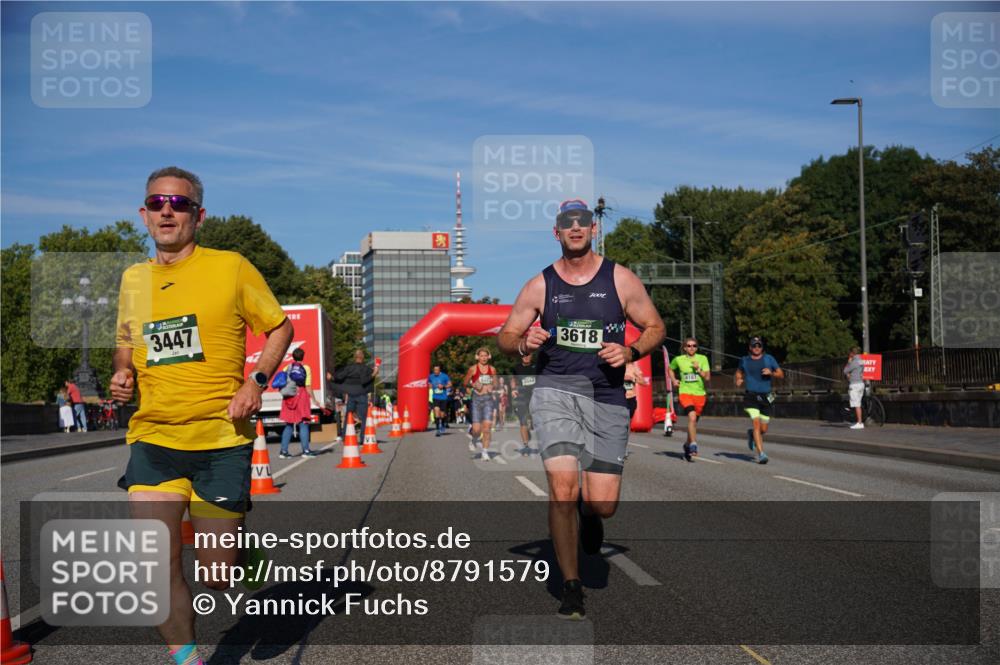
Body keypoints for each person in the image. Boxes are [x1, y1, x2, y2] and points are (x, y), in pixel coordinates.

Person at [110, 166, 293, 665]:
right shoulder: (133, 279)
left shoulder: (231, 267)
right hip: (154, 437)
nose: (167, 211)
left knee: (218, 574)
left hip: (220, 439)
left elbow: (280, 328)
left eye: (180, 203)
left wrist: (255, 382)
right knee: (153, 563)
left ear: (199, 215)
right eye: (157, 202)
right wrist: (123, 371)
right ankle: (188, 658)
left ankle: (235, 549)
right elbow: (125, 340)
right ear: (144, 215)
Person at [498, 198, 665, 619]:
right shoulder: (540, 285)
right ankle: (571, 586)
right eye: (566, 222)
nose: (575, 227)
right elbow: (506, 335)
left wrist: (630, 352)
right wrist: (523, 342)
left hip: (606, 396)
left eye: (583, 221)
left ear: (593, 229)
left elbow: (655, 327)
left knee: (602, 503)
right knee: (562, 489)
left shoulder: (620, 279)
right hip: (555, 392)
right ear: (556, 232)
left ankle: (590, 515)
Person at [734, 336, 784, 464]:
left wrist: (771, 373)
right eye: (754, 345)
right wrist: (738, 379)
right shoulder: (744, 360)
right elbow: (738, 372)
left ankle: (751, 434)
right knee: (756, 423)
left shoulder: (769, 359)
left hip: (766, 396)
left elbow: (781, 374)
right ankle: (761, 454)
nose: (756, 348)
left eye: (759, 345)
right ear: (750, 347)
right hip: (751, 396)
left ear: (762, 347)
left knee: (764, 429)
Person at [668, 337, 711, 461]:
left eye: (694, 346)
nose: (692, 348)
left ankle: (687, 444)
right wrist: (674, 380)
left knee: (693, 423)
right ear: (684, 348)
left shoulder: (702, 359)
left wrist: (698, 369)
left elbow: (707, 377)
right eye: (689, 346)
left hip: (700, 394)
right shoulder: (678, 359)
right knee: (691, 417)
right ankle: (693, 445)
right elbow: (670, 369)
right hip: (685, 393)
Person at [279, 348, 320, 458]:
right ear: (303, 356)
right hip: (301, 395)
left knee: (289, 424)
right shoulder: (306, 368)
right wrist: (314, 399)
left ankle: (283, 451)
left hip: (289, 396)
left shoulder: (286, 368)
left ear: (293, 356)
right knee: (303, 423)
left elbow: (282, 383)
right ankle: (306, 451)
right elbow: (308, 386)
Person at [463, 347, 497, 460]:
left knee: (487, 428)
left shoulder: (492, 369)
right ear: (477, 357)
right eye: (481, 356)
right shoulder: (473, 369)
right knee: (477, 430)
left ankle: (485, 452)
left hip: (488, 400)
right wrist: (473, 385)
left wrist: (492, 386)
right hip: (476, 400)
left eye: (485, 356)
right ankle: (473, 440)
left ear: (489, 357)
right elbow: (465, 383)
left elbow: (496, 383)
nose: (484, 358)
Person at [333, 349, 378, 433]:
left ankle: (345, 436)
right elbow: (365, 380)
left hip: (351, 395)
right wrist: (374, 373)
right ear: (362, 357)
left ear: (354, 357)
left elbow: (339, 377)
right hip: (362, 394)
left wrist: (332, 377)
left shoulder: (349, 368)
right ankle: (363, 437)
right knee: (364, 417)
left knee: (348, 416)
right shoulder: (365, 369)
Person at [510, 352, 537, 455]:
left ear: (532, 355)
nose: (526, 357)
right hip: (522, 397)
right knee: (523, 421)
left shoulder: (537, 366)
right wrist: (513, 389)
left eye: (528, 355)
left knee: (536, 421)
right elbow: (513, 379)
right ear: (521, 357)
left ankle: (530, 427)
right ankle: (526, 446)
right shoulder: (517, 368)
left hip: (535, 397)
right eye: (524, 355)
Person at [844, 346, 865, 429]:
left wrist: (848, 362)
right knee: (858, 402)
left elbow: (845, 371)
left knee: (856, 404)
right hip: (861, 383)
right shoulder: (861, 360)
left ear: (852, 353)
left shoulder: (854, 361)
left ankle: (859, 422)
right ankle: (858, 421)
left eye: (850, 353)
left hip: (854, 384)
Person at [428, 365, 452, 437]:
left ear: (439, 370)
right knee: (436, 412)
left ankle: (443, 424)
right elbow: (429, 383)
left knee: (442, 414)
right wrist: (430, 385)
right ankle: (438, 429)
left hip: (443, 398)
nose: (435, 371)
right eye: (434, 370)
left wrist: (443, 386)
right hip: (435, 397)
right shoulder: (431, 376)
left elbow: (450, 384)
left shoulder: (444, 376)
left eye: (437, 370)